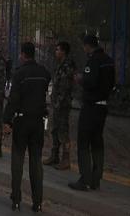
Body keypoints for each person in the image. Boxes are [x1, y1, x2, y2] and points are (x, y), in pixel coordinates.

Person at [3, 42, 51, 213]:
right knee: (36, 161)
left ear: (23, 55)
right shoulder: (44, 73)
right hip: (38, 121)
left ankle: (16, 199)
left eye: (20, 54)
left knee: (17, 159)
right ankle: (37, 202)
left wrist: (6, 120)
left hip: (22, 121)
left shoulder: (20, 73)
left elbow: (14, 99)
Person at [68, 35, 115, 191]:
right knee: (97, 143)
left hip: (91, 107)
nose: (84, 48)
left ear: (88, 46)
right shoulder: (108, 60)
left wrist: (80, 79)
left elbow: (90, 81)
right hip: (103, 107)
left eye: (84, 46)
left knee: (83, 143)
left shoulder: (94, 60)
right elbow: (111, 83)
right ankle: (96, 179)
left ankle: (85, 179)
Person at [43, 42, 76, 170]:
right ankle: (54, 155)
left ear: (63, 51)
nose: (56, 52)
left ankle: (66, 159)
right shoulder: (60, 65)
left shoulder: (68, 66)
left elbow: (66, 87)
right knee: (55, 130)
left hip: (62, 104)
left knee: (63, 131)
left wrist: (58, 102)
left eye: (58, 49)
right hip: (56, 103)